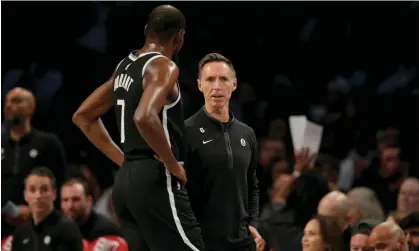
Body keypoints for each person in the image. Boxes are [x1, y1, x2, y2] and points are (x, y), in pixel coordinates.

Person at [72, 5, 204, 251]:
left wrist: (123, 160)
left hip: (124, 183)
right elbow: (144, 117)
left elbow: (83, 116)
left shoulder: (124, 66)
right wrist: (172, 164)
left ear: (146, 31)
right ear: (179, 37)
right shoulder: (164, 66)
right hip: (154, 177)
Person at [183, 52, 264, 251]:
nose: (217, 86)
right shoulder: (185, 132)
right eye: (210, 79)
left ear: (234, 85)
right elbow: (179, 191)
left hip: (242, 241)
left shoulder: (247, 134)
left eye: (223, 79)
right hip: (202, 242)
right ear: (200, 85)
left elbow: (252, 185)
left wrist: (253, 223)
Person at [2, 87, 67, 237]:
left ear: (31, 108)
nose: (9, 106)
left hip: (41, 225)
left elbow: (61, 183)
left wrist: (35, 210)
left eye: (16, 101)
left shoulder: (48, 143)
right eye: (6, 102)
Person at [11, 167, 83, 251]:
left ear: (54, 194)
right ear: (25, 195)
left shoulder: (67, 229)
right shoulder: (21, 233)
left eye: (44, 190)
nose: (38, 196)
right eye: (32, 190)